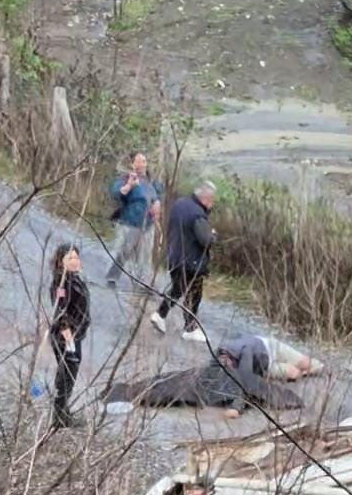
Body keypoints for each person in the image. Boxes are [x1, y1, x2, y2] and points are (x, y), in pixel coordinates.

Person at [104, 333, 323, 415]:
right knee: (294, 374)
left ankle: (317, 367)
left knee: (309, 365)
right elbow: (198, 378)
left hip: (269, 348)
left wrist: (236, 407)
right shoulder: (220, 357)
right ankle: (300, 370)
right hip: (264, 366)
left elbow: (247, 383)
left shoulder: (244, 354)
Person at [150, 180, 217, 344]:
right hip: (191, 261)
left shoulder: (179, 204)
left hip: (174, 254)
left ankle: (160, 315)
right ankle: (190, 329)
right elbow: (205, 240)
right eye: (212, 200)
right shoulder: (197, 214)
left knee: (177, 289)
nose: (212, 203)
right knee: (194, 294)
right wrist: (213, 235)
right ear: (206, 198)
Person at [105, 151, 162, 290]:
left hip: (147, 224)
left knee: (145, 255)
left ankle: (142, 283)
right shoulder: (125, 178)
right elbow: (116, 193)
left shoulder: (150, 182)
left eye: (144, 161)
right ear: (133, 164)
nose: (142, 164)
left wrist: (157, 203)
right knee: (125, 251)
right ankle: (112, 277)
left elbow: (156, 196)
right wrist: (129, 185)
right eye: (139, 161)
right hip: (131, 222)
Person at [49, 243, 90, 429]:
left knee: (70, 376)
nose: (75, 261)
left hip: (76, 335)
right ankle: (59, 417)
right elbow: (60, 312)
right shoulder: (61, 283)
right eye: (70, 258)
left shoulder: (74, 279)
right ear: (61, 261)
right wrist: (69, 339)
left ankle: (63, 412)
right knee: (66, 375)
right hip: (66, 337)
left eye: (76, 257)